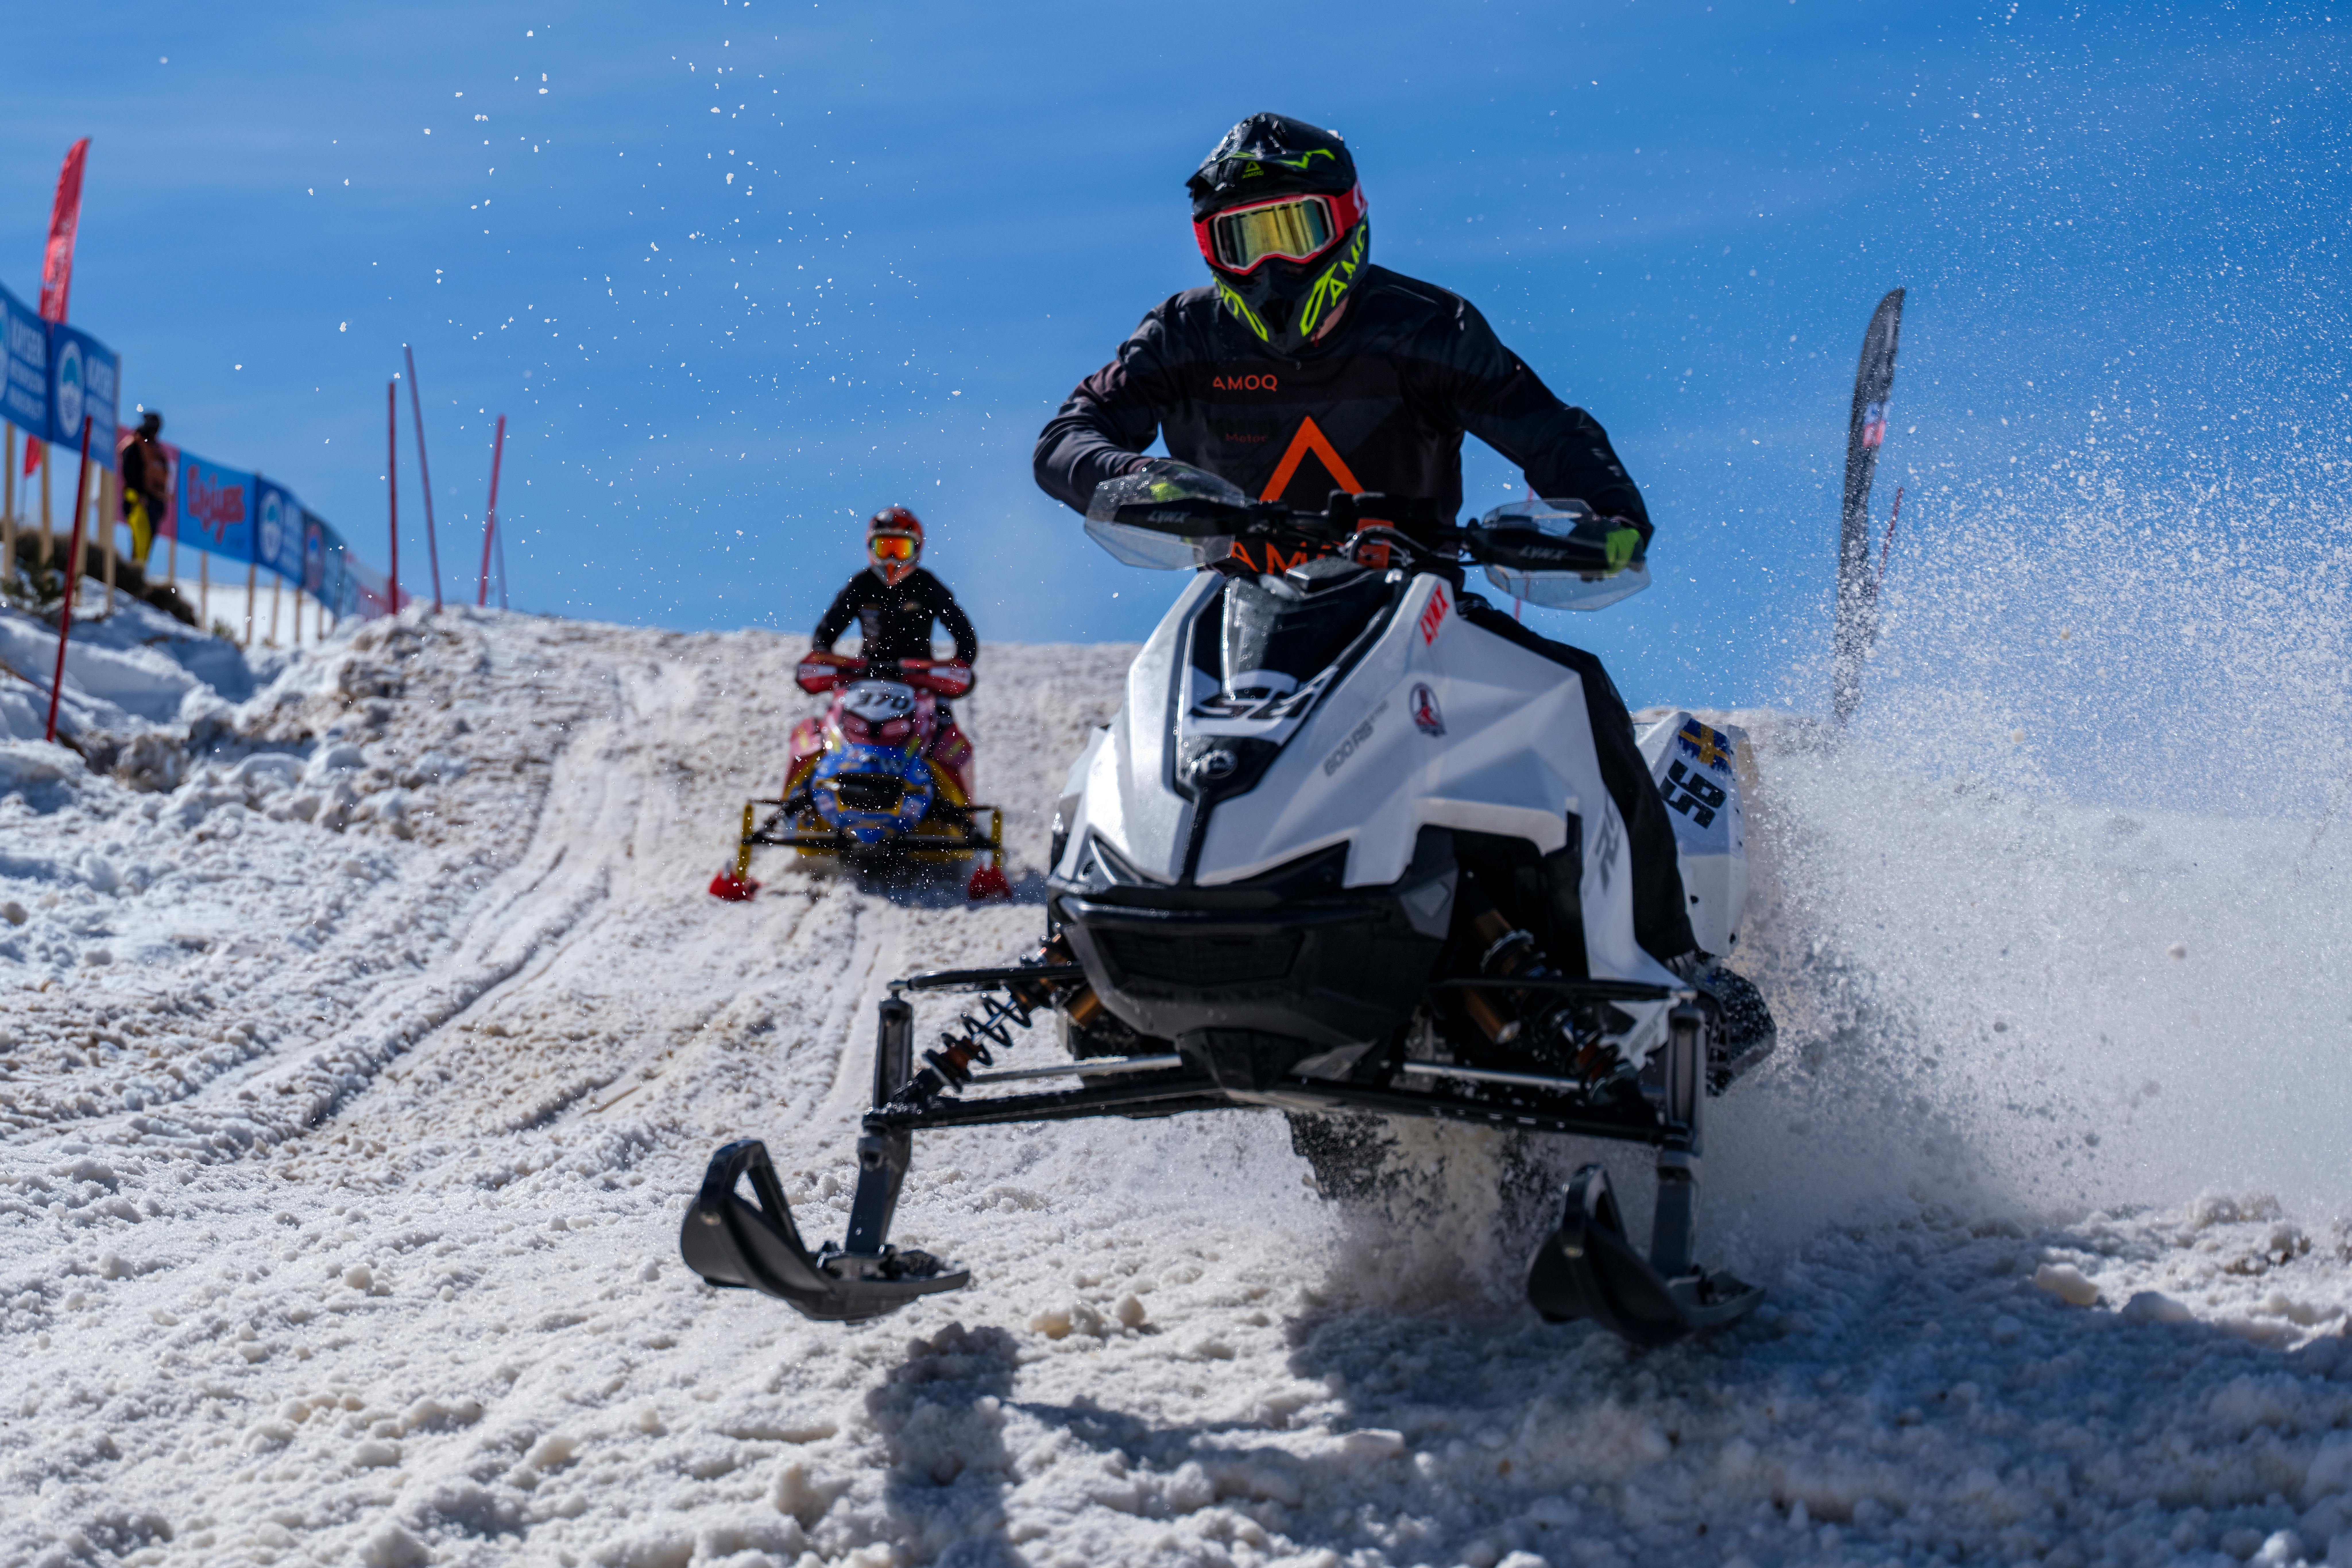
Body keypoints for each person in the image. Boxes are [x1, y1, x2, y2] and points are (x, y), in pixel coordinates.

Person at [1032, 111, 1703, 971]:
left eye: (1294, 229)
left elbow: (1553, 434)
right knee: (1116, 757)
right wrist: (1127, 478)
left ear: (1344, 222)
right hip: (1239, 625)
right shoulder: (1182, 335)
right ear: (1212, 249)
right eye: (1245, 241)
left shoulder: (1428, 326)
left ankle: (1676, 964)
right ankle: (1080, 964)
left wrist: (1608, 515)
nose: (1271, 264)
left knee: (1578, 693)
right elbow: (1067, 435)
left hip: (1416, 619)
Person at [807, 506, 981, 798]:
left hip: (921, 681)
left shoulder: (927, 585)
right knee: (827, 727)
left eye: (899, 548)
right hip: (865, 677)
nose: (890, 557)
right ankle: (811, 796)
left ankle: (959, 811)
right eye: (884, 547)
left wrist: (953, 669)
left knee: (945, 735)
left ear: (917, 549)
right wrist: (829, 660)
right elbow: (824, 635)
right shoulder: (861, 584)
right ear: (870, 547)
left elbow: (965, 636)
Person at [119, 411, 171, 564]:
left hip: (154, 503)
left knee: (145, 548)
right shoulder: (135, 446)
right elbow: (129, 473)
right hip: (139, 502)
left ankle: (136, 577)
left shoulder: (156, 450)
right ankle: (134, 579)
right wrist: (139, 495)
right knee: (140, 546)